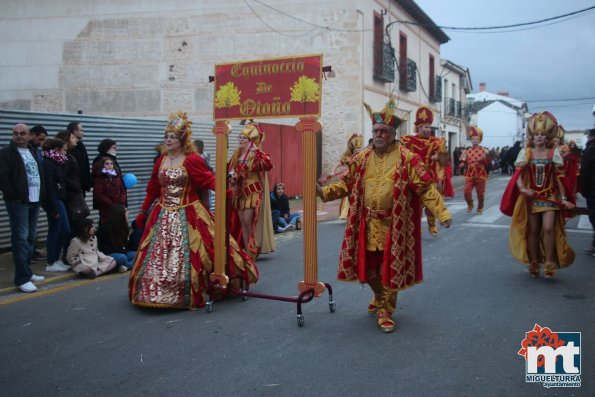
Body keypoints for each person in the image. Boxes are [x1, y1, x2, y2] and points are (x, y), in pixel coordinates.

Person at [316, 98, 452, 333]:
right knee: (368, 269)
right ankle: (379, 295)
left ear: (393, 134)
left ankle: (386, 309)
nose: (379, 134)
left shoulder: (408, 158)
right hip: (367, 223)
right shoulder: (361, 158)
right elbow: (345, 185)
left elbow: (425, 188)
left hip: (395, 224)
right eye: (376, 130)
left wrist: (442, 213)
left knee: (389, 267)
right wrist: (323, 192)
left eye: (384, 131)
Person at [129, 112, 258, 309]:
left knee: (200, 253)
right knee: (157, 255)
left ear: (181, 139)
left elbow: (208, 180)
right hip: (162, 213)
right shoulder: (161, 160)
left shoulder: (191, 160)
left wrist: (229, 190)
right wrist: (142, 211)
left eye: (172, 136)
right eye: (167, 136)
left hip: (188, 213)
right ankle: (156, 290)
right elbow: (153, 187)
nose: (169, 140)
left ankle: (201, 286)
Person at [500, 111, 575, 277]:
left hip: (550, 196)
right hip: (531, 197)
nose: (539, 137)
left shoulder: (553, 154)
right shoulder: (525, 153)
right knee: (533, 230)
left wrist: (563, 199)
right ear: (532, 138)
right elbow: (518, 175)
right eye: (536, 134)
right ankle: (534, 262)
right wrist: (522, 189)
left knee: (548, 229)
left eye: (542, 134)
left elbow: (560, 178)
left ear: (547, 137)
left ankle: (549, 262)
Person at [0, 124, 47, 292]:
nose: (18, 136)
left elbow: (39, 174)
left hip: (34, 201)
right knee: (20, 238)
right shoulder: (6, 153)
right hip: (19, 202)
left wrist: (42, 196)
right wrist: (15, 196)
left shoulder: (33, 151)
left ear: (29, 136)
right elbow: (3, 178)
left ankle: (27, 272)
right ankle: (21, 278)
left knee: (29, 238)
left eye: (22, 133)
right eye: (15, 133)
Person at [228, 122, 275, 259]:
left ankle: (253, 247)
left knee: (248, 219)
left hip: (252, 190)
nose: (241, 140)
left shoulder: (255, 154)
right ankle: (247, 249)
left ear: (250, 141)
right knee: (242, 221)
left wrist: (257, 151)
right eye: (240, 138)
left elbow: (268, 164)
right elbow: (230, 170)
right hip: (239, 191)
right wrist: (232, 178)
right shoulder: (236, 155)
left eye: (244, 138)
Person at [400, 106, 448, 236]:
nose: (427, 129)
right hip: (414, 178)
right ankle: (415, 228)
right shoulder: (409, 140)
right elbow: (401, 154)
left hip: (430, 178)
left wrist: (437, 156)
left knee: (430, 205)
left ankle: (432, 224)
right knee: (415, 205)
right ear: (418, 128)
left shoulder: (436, 142)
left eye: (429, 127)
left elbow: (444, 157)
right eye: (424, 127)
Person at [41, 138, 72, 272]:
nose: (65, 153)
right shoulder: (48, 163)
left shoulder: (56, 162)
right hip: (54, 200)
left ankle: (55, 259)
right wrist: (52, 207)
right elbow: (48, 186)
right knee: (56, 230)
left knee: (64, 230)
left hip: (59, 199)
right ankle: (51, 261)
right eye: (64, 150)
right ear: (57, 149)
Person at [331, 133, 363, 220]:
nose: (358, 149)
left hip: (361, 179)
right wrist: (333, 171)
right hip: (350, 179)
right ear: (353, 148)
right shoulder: (348, 157)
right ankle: (350, 213)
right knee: (349, 197)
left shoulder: (364, 155)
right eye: (357, 148)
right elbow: (338, 163)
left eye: (360, 148)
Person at [459, 127, 490, 214]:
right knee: (466, 192)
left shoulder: (484, 150)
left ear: (480, 140)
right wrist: (462, 164)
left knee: (480, 194)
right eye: (473, 139)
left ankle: (480, 208)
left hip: (480, 174)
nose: (475, 140)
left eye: (477, 139)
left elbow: (488, 161)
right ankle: (470, 204)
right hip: (469, 174)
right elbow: (463, 160)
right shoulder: (467, 150)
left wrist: (484, 158)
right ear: (471, 140)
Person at [97, 204, 135, 272]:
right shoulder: (105, 227)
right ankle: (128, 265)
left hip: (122, 252)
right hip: (109, 255)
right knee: (122, 258)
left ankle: (124, 266)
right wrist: (119, 250)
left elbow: (126, 244)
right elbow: (101, 247)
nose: (128, 213)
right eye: (126, 211)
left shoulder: (124, 226)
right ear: (120, 214)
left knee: (138, 254)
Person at [92, 156, 127, 224]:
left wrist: (122, 201)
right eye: (107, 164)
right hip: (106, 208)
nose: (110, 166)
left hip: (118, 206)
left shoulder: (116, 177)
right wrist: (111, 204)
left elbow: (122, 190)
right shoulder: (99, 179)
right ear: (102, 165)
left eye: (111, 164)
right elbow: (98, 194)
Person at [579, 128, 595, 255]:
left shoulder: (590, 150)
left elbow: (585, 171)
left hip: (592, 189)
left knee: (594, 216)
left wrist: (583, 190)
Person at [66, 121, 92, 196]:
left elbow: (85, 165)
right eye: (81, 130)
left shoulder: (81, 145)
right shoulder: (68, 147)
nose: (83, 132)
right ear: (75, 131)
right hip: (73, 186)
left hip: (81, 186)